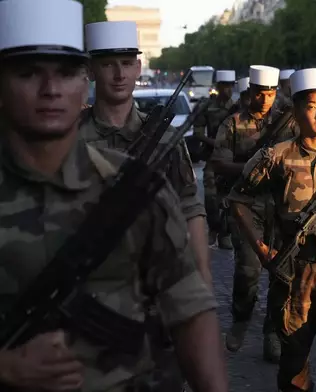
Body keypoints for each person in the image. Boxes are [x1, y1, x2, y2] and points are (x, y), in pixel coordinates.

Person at [0, 1, 227, 391]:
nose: (50, 90)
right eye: (28, 73)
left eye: (67, 73)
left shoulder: (137, 189)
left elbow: (191, 311)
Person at [228, 68, 316, 392]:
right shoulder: (274, 157)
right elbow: (237, 198)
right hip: (295, 278)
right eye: (310, 106)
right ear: (295, 110)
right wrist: (261, 249)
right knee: (294, 368)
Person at [78, 21, 211, 285]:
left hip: (155, 276)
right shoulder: (70, 138)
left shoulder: (165, 138)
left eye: (127, 63)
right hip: (86, 277)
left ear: (138, 68)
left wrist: (203, 275)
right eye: (108, 64)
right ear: (91, 71)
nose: (119, 74)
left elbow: (189, 206)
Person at [213, 65, 298, 362]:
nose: (265, 99)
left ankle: (272, 332)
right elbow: (219, 164)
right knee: (248, 269)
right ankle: (241, 317)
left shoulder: (288, 122)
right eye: (260, 93)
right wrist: (253, 168)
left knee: (282, 274)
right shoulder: (233, 124)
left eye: (270, 93)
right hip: (245, 205)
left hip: (283, 207)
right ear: (249, 93)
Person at [198, 69, 237, 250]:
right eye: (224, 86)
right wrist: (215, 143)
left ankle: (225, 234)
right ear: (218, 87)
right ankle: (214, 228)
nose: (228, 90)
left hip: (232, 159)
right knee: (211, 197)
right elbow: (198, 133)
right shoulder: (208, 106)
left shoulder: (238, 108)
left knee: (230, 198)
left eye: (230, 86)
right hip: (213, 158)